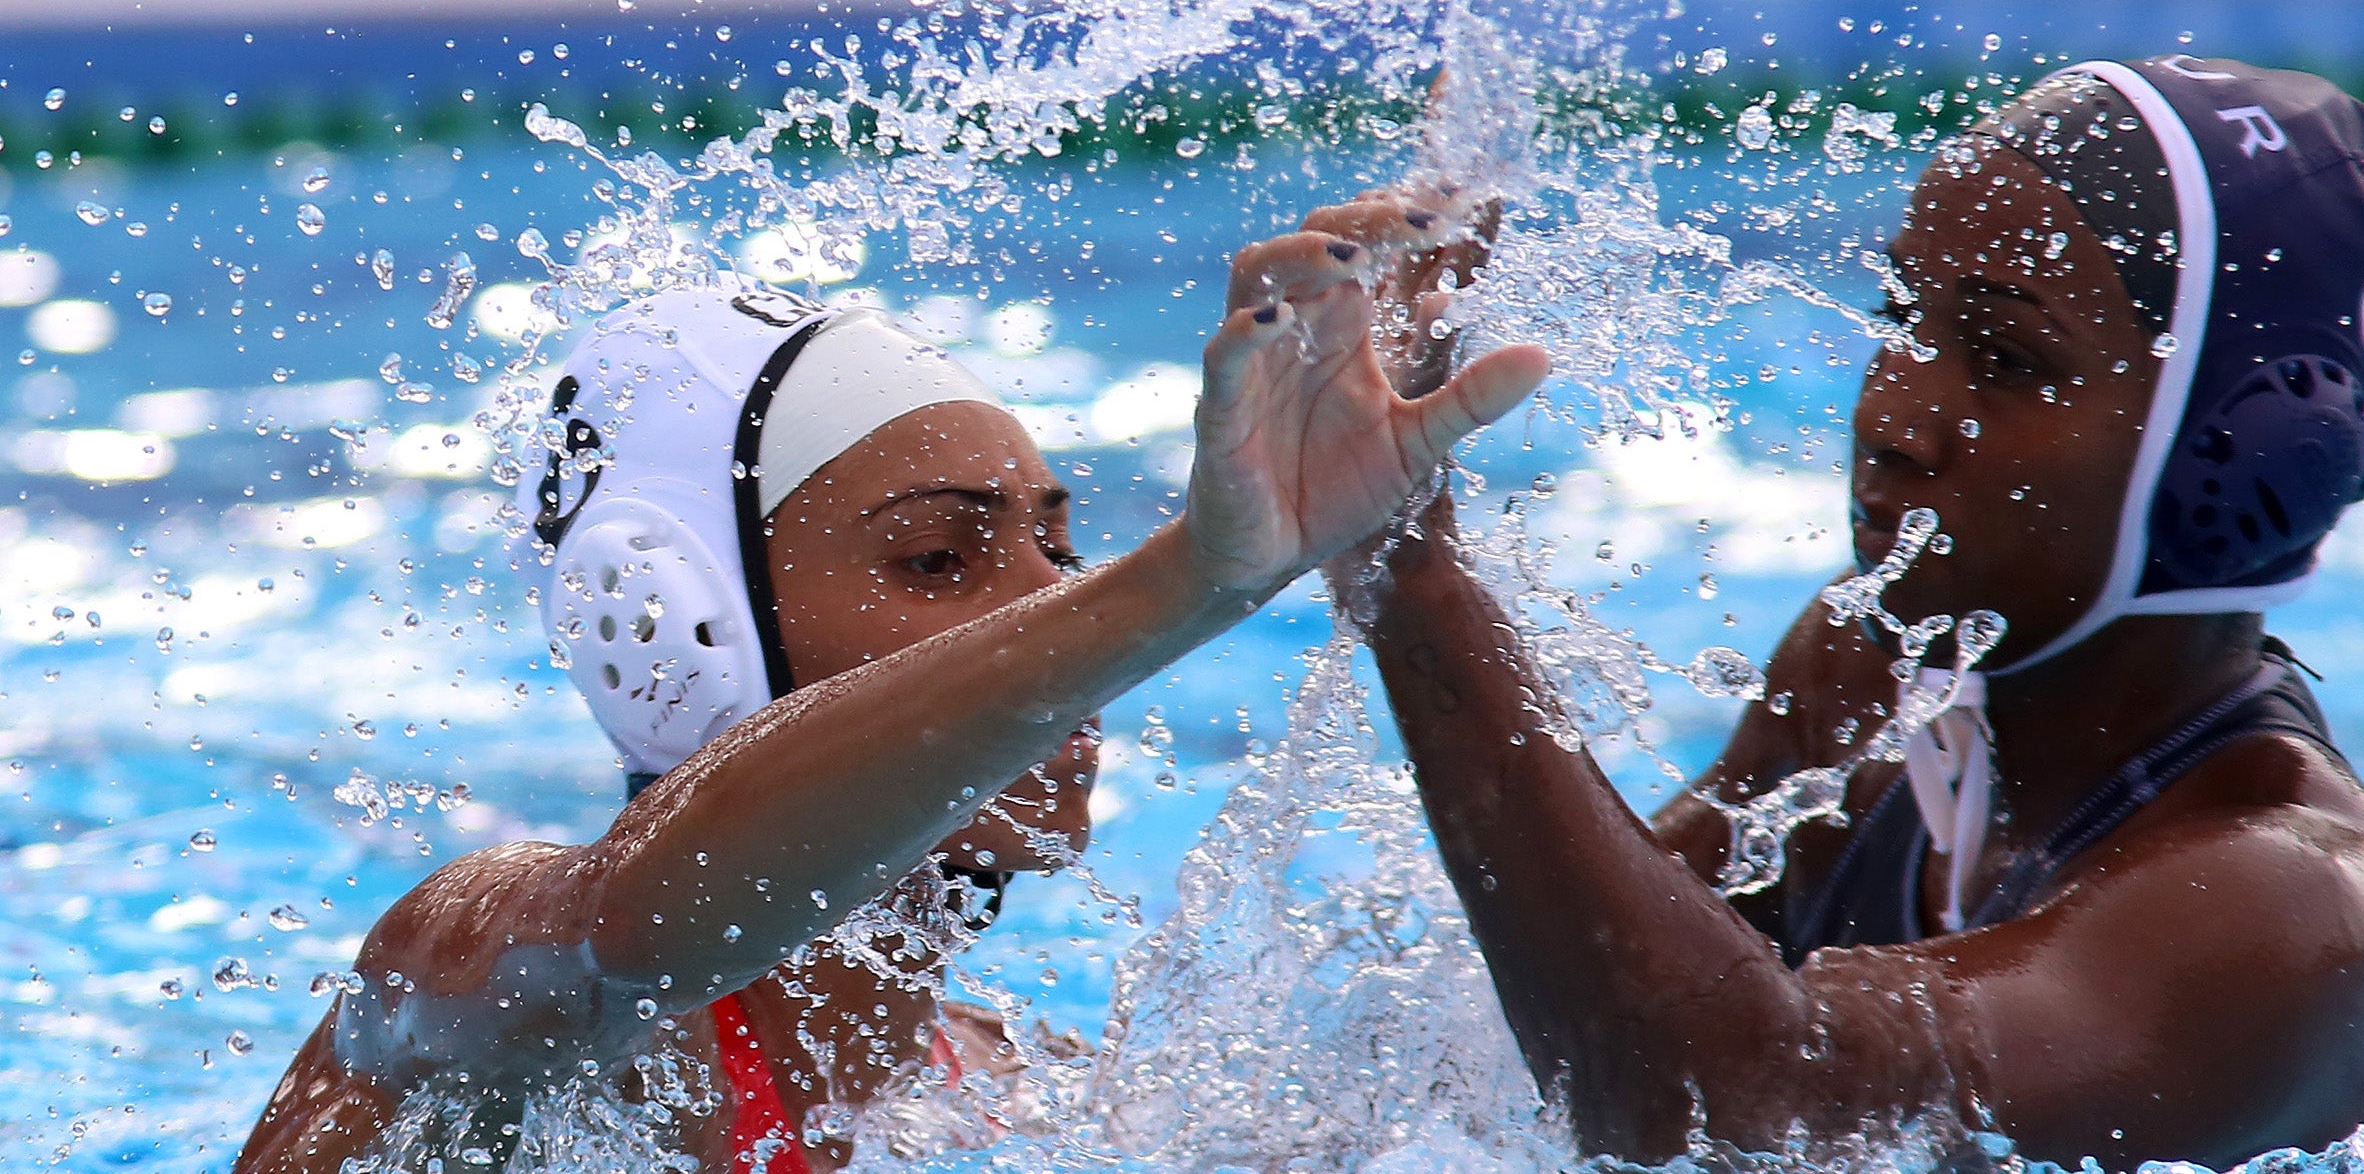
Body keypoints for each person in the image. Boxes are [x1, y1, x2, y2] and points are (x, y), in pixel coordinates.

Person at [1331, 55, 2364, 1168]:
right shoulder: (1873, 678)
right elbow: (1523, 1022)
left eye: (2007, 358)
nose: (1895, 415)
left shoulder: (2283, 910)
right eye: (1905, 315)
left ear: (2242, 457)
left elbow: (1719, 1108)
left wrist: (1411, 563)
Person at [236, 232, 1549, 1174]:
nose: (1048, 602)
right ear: (682, 634)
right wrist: (1190, 579)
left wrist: (1400, 548)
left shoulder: (1004, 1096)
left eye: (1056, 544)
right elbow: (633, 920)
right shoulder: (485, 977)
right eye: (937, 557)